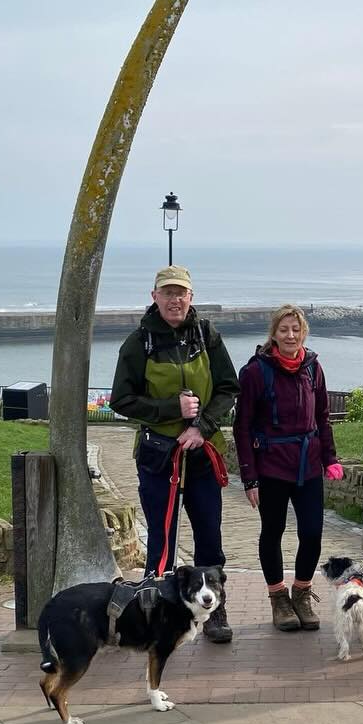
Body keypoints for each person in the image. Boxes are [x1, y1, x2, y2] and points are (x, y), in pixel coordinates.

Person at [111, 265, 239, 643]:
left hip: (202, 455)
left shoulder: (207, 335)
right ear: (154, 297)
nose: (174, 299)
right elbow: (122, 399)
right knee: (162, 540)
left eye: (180, 293)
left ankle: (215, 611)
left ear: (191, 297)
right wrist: (173, 409)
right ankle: (155, 612)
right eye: (167, 293)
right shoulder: (138, 343)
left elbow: (229, 387)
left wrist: (202, 427)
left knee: (209, 539)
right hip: (159, 457)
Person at [234, 305, 343, 632]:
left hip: (308, 465)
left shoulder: (313, 367)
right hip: (271, 466)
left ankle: (302, 592)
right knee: (273, 531)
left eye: (296, 329)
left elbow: (322, 417)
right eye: (284, 330)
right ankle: (278, 598)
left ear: (304, 332)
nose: (290, 335)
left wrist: (331, 458)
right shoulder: (255, 372)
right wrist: (249, 477)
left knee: (311, 533)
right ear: (274, 334)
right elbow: (242, 426)